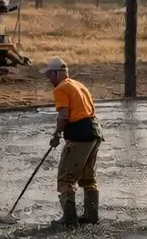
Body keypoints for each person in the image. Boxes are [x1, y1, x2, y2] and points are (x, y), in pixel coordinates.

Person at [43, 57, 103, 227]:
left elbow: (64, 116)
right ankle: (91, 217)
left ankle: (69, 220)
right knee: (88, 178)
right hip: (94, 132)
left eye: (49, 74)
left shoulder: (61, 89)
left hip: (79, 136)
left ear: (57, 73)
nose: (48, 78)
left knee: (65, 179)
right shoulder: (78, 85)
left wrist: (56, 135)